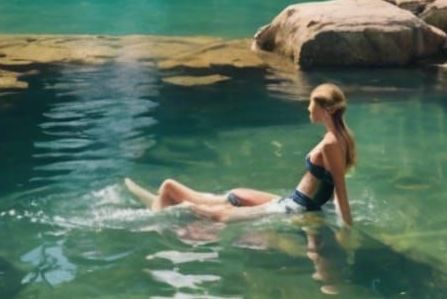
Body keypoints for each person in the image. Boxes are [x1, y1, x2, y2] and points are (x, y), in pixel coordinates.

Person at [124, 83, 356, 227]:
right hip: (291, 201)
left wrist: (346, 230)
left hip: (295, 207)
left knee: (221, 215)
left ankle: (170, 207)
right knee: (234, 195)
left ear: (326, 110)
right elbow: (330, 187)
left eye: (311, 104)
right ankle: (164, 199)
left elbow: (340, 190)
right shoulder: (339, 137)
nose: (307, 108)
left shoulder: (331, 144)